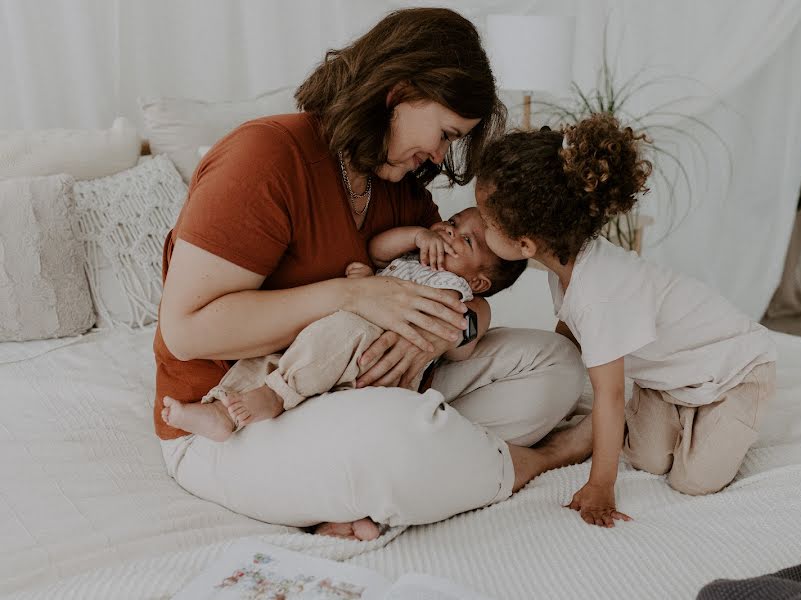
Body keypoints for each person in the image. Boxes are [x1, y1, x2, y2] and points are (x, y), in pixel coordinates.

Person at [154, 7, 591, 542]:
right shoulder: (265, 157)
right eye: (446, 133)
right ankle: (533, 461)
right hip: (241, 415)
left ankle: (399, 472)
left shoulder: (399, 182)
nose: (439, 154)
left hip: (365, 389)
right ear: (400, 91)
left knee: (559, 367)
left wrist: (450, 327)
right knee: (398, 436)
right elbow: (187, 330)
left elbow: (470, 294)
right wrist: (357, 294)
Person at [474, 113, 778, 528]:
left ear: (526, 244)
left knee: (694, 480)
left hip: (733, 369)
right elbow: (569, 334)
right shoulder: (568, 267)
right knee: (649, 459)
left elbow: (610, 395)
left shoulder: (599, 294)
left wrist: (601, 484)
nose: (477, 226)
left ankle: (721, 413)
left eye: (486, 223)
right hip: (672, 380)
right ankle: (682, 410)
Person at [161, 207, 527, 441]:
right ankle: (222, 407)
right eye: (452, 222)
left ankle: (276, 395)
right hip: (334, 343)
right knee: (276, 351)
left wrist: (449, 323)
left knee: (344, 413)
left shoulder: (455, 288)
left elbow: (462, 338)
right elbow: (377, 249)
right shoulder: (415, 255)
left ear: (479, 283)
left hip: (372, 355)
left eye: (465, 240)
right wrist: (410, 241)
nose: (448, 232)